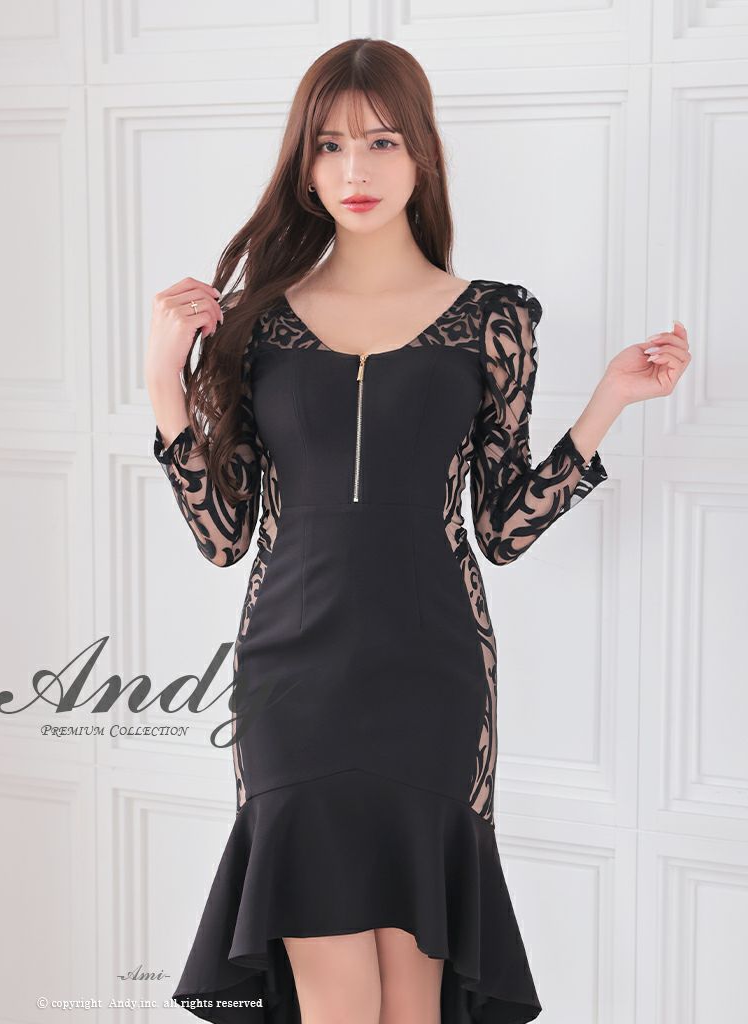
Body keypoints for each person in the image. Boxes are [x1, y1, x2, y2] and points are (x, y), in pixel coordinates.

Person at [145, 37, 691, 1024]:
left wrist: (608, 400)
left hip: (436, 677)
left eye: (382, 141)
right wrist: (161, 380)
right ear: (303, 164)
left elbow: (503, 527)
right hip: (292, 682)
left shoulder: (492, 320)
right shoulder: (256, 325)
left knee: (414, 995)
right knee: (336, 997)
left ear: (422, 152)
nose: (355, 169)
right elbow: (224, 535)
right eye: (329, 145)